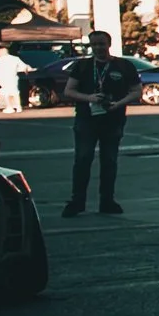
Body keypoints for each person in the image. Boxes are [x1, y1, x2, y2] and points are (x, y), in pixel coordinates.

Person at [61, 31, 141, 217]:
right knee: (83, 158)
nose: (98, 48)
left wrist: (119, 103)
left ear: (109, 44)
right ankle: (77, 201)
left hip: (113, 119)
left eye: (101, 44)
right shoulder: (82, 66)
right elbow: (69, 90)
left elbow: (136, 91)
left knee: (110, 161)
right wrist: (89, 97)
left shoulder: (123, 65)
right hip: (86, 119)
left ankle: (107, 200)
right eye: (94, 44)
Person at [0, 47, 26, 113]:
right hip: (13, 78)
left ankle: (9, 107)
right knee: (15, 92)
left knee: (6, 93)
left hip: (3, 79)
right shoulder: (15, 58)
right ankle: (18, 107)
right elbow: (23, 67)